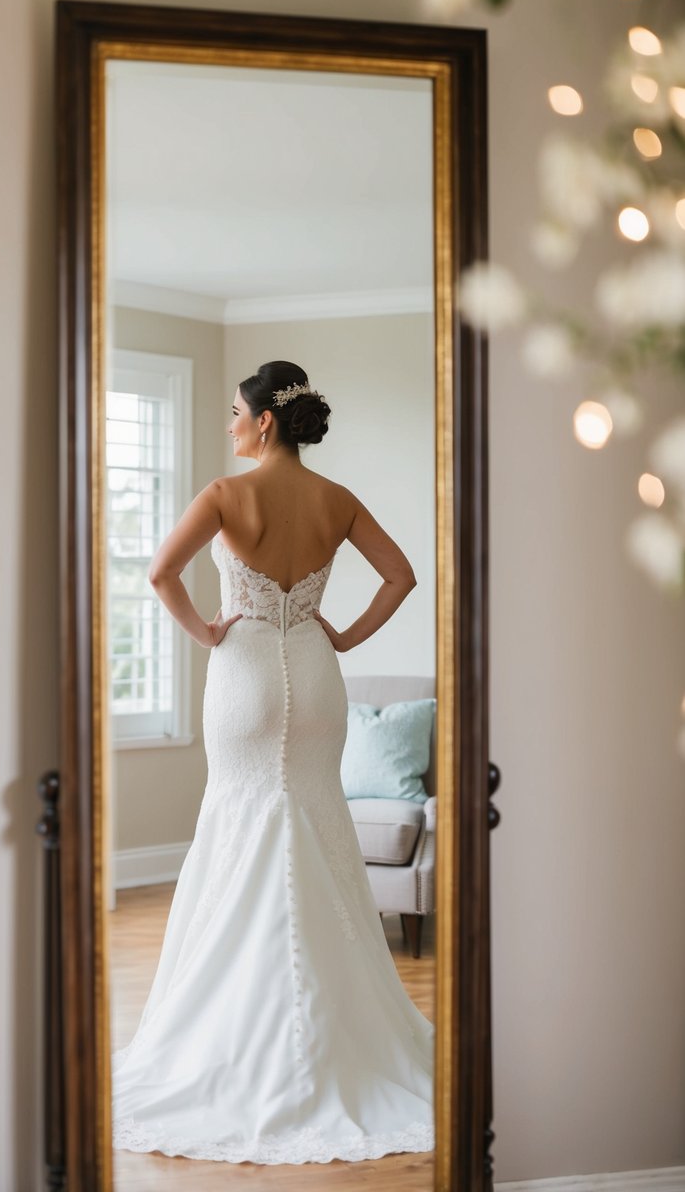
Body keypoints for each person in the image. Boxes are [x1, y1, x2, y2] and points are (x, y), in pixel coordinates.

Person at [111, 360, 434, 1164]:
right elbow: (402, 576)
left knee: (240, 821)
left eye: (233, 413)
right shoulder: (337, 500)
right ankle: (342, 1031)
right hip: (318, 680)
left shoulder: (225, 495)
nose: (228, 424)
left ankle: (230, 1028)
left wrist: (207, 631)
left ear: (262, 422)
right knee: (316, 820)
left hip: (246, 670)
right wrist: (346, 637)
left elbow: (160, 573)